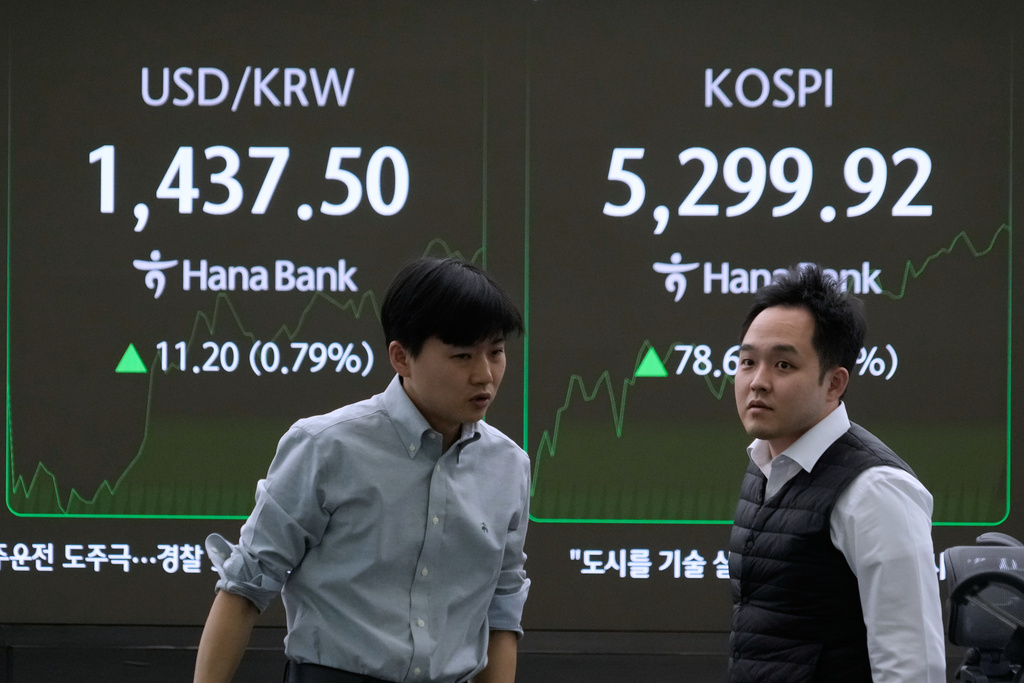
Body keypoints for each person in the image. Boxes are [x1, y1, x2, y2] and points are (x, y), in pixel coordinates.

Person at [193, 257, 531, 683]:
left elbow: (501, 611)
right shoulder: (326, 446)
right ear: (401, 357)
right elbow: (244, 587)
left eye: (496, 352)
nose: (484, 375)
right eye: (462, 355)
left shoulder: (508, 466)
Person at [727, 264, 945, 682]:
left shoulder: (876, 491)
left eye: (783, 366)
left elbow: (911, 666)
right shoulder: (763, 464)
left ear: (834, 383)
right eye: (747, 361)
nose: (757, 382)